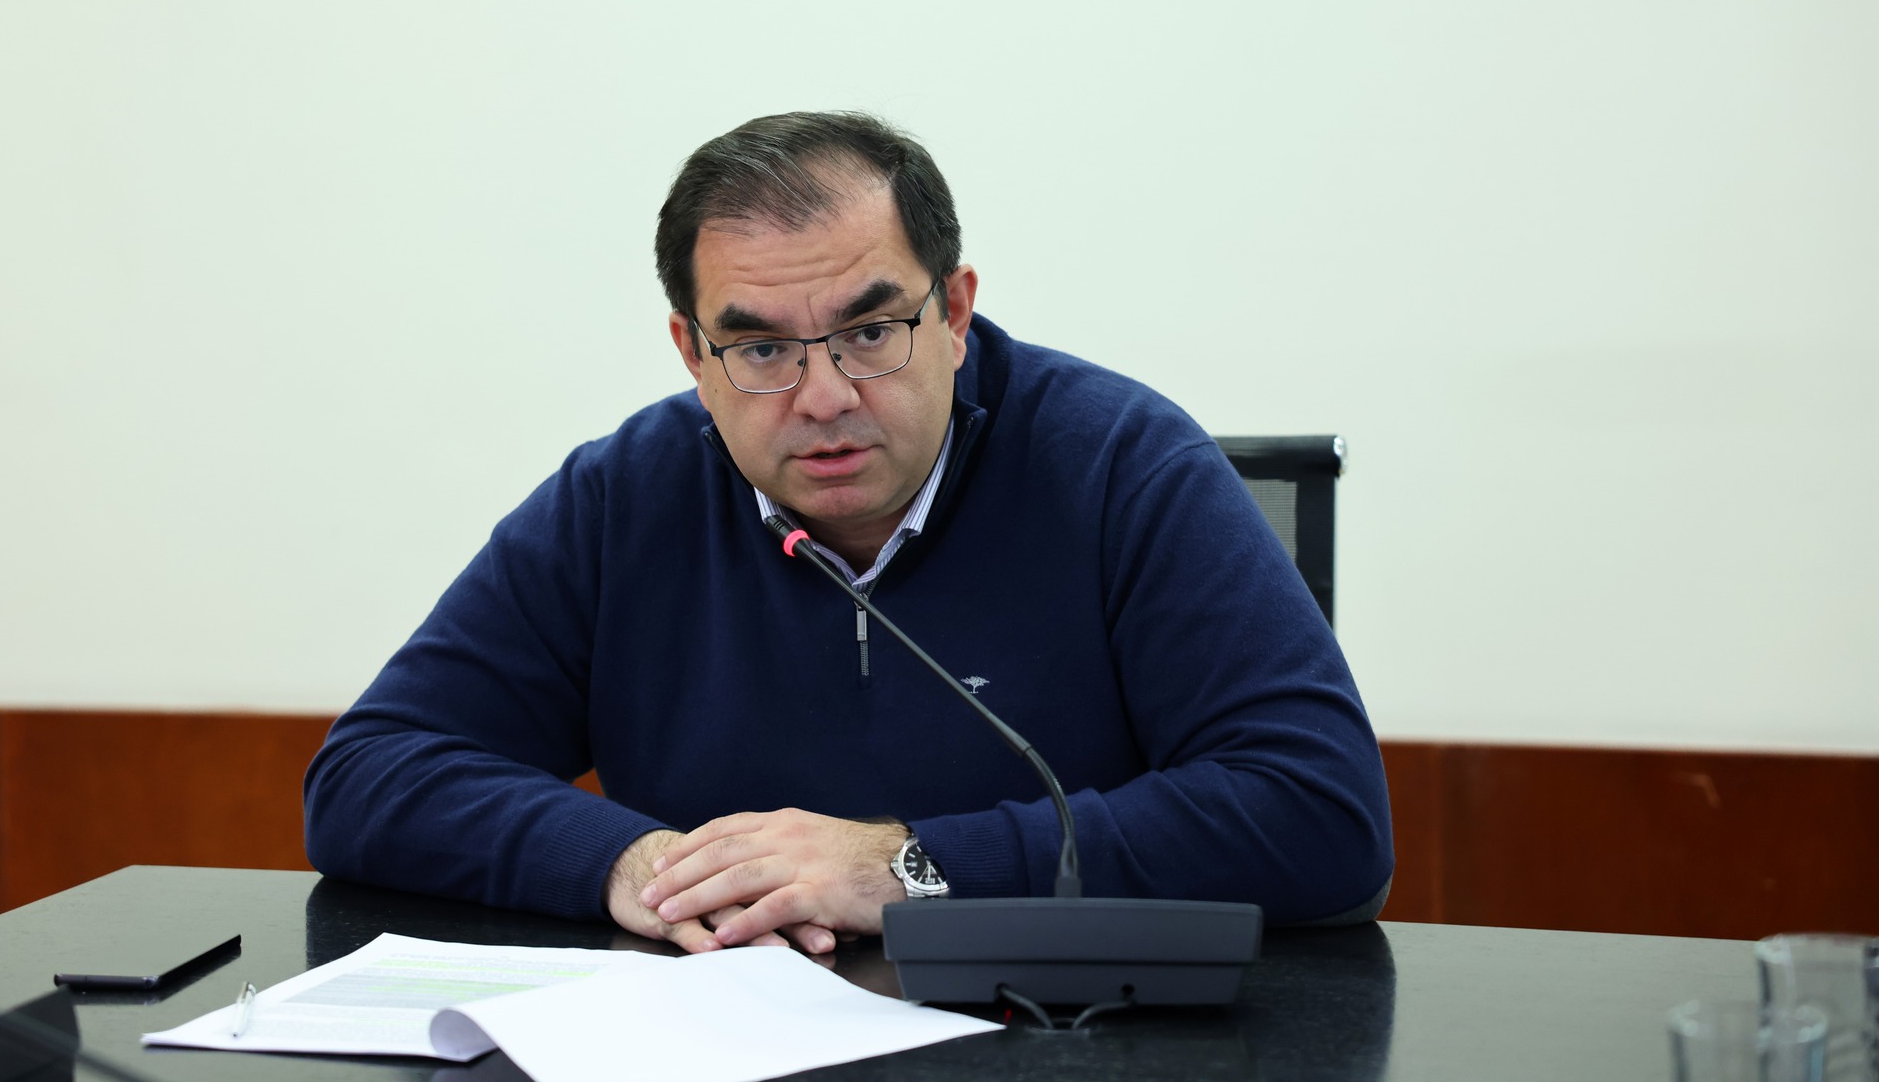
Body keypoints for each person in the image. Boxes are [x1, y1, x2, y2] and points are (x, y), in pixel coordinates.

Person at [304, 111, 1394, 957]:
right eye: (761, 350)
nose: (822, 396)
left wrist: (907, 867)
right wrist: (635, 862)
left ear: (954, 313)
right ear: (691, 353)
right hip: (733, 1034)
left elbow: (1320, 813)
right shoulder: (627, 494)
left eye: (870, 331)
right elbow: (369, 773)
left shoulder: (1121, 464)